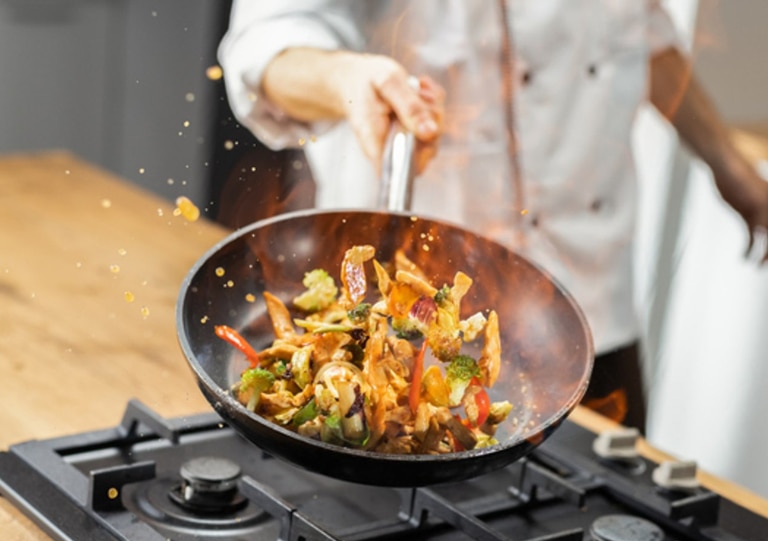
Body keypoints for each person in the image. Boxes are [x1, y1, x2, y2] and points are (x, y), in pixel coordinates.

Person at [217, 1, 768, 433]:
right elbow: (268, 48)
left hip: (592, 306)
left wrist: (729, 164)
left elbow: (644, 31)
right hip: (419, 319)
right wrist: (346, 81)